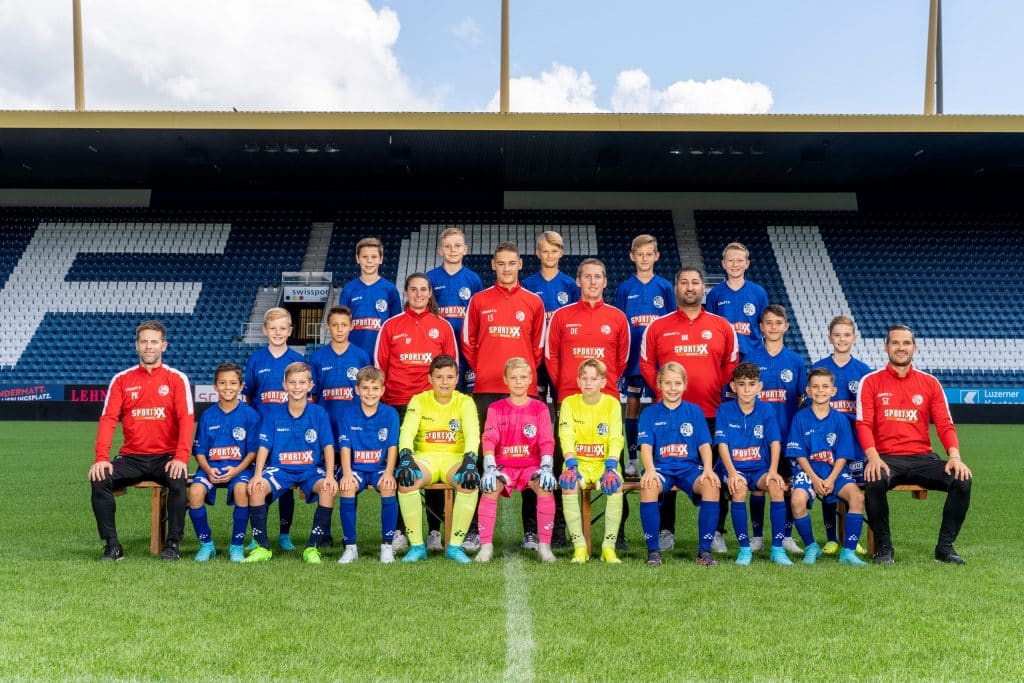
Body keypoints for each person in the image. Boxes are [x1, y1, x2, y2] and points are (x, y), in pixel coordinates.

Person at [639, 267, 738, 553]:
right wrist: (663, 392)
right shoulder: (658, 326)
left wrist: (714, 387)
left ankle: (716, 532)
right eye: (684, 282)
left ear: (703, 288)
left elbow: (731, 364)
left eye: (695, 282)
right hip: (667, 412)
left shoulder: (722, 326)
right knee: (666, 466)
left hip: (710, 412)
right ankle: (665, 531)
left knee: (714, 472)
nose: (690, 287)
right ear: (676, 288)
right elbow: (646, 363)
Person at [856, 325, 973, 565]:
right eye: (895, 343)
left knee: (962, 479)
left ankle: (945, 547)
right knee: (874, 478)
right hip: (886, 458)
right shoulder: (870, 381)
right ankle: (884, 548)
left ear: (914, 348)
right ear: (886, 347)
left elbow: (945, 424)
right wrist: (873, 457)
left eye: (906, 343)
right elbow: (863, 424)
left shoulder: (930, 383)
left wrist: (955, 457)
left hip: (922, 459)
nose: (901, 348)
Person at [462, 241, 546, 550]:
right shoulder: (479, 300)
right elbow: (468, 343)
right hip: (486, 390)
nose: (507, 268)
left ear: (520, 264)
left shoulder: (534, 302)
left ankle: (531, 532)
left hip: (524, 392)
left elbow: (537, 348)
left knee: (529, 457)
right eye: (501, 263)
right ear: (493, 265)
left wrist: (520, 379)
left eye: (512, 263)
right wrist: (486, 368)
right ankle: (474, 530)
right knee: (482, 458)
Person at [89, 320, 194, 561]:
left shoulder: (177, 379)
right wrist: (101, 458)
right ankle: (112, 545)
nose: (148, 346)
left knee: (178, 478)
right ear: (137, 345)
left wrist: (181, 457)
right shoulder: (121, 380)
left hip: (166, 457)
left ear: (163, 345)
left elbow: (187, 420)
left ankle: (173, 545)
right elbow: (108, 419)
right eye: (144, 342)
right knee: (99, 477)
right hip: (131, 458)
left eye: (154, 342)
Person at [545, 257, 630, 548]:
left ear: (605, 281)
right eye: (587, 276)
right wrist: (568, 388)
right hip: (570, 400)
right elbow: (551, 357)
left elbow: (621, 359)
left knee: (614, 462)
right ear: (578, 281)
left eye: (598, 277)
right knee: (564, 464)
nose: (593, 282)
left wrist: (603, 388)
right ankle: (560, 531)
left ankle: (617, 534)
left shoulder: (617, 318)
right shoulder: (561, 316)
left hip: (607, 402)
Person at [374, 272, 458, 552]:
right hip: (398, 404)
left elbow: (451, 365)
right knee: (404, 467)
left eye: (424, 289)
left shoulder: (442, 327)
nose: (419, 294)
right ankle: (400, 530)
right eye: (414, 289)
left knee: (433, 463)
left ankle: (434, 531)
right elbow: (380, 365)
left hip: (432, 406)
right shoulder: (391, 325)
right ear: (406, 293)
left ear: (430, 293)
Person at [243, 362, 338, 564]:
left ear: (310, 385)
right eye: (292, 382)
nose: (297, 387)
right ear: (284, 385)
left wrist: (330, 476)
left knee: (328, 489)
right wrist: (258, 474)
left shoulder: (319, 413)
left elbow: (328, 446)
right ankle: (262, 547)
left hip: (310, 470)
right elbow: (264, 446)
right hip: (280, 470)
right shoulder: (273, 413)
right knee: (256, 489)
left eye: (302, 382)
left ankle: (312, 548)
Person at [394, 355, 481, 564]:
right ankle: (417, 546)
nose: (444, 382)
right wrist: (406, 456)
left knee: (468, 482)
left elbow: (473, 433)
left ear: (457, 378)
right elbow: (407, 431)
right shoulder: (419, 400)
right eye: (439, 377)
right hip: (426, 458)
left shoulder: (465, 402)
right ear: (430, 378)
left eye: (450, 377)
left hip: (454, 458)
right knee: (407, 482)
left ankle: (454, 547)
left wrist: (470, 460)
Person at [637, 362, 720, 567]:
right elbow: (646, 446)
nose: (673, 388)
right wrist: (649, 470)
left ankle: (704, 551)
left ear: (685, 385)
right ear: (659, 385)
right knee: (648, 485)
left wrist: (708, 469)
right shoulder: (649, 413)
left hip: (689, 468)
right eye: (668, 383)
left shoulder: (695, 411)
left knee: (711, 484)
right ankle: (653, 551)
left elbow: (704, 445)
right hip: (661, 468)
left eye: (677, 383)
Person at [477, 358, 558, 563]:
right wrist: (490, 466)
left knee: (545, 486)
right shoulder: (496, 408)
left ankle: (544, 547)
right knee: (489, 487)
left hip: (531, 465)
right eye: (513, 377)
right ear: (505, 380)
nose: (519, 382)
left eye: (523, 377)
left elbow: (547, 440)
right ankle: (486, 547)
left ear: (531, 379)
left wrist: (546, 467)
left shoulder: (540, 408)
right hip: (503, 466)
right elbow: (489, 437)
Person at [740, 304, 807, 555]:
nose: (773, 327)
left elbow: (799, 399)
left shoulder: (796, 361)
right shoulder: (751, 358)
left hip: (787, 435)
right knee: (759, 487)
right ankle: (757, 536)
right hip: (757, 438)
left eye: (778, 323)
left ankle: (786, 536)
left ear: (786, 326)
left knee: (785, 484)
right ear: (761, 327)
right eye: (768, 323)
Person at [786, 368, 867, 567]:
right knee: (797, 500)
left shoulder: (840, 419)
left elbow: (843, 455)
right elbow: (799, 455)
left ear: (833, 390)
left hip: (835, 473)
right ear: (808, 390)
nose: (820, 390)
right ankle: (811, 547)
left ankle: (848, 552)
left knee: (857, 497)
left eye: (825, 386)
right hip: (809, 471)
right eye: (815, 387)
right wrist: (815, 479)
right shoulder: (800, 418)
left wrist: (831, 479)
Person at [713, 362, 789, 566]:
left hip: (760, 469)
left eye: (751, 384)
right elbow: (722, 445)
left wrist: (773, 471)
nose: (746, 389)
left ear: (759, 386)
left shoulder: (767, 410)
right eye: (741, 384)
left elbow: (775, 442)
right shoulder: (724, 410)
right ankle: (744, 549)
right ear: (733, 386)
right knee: (738, 489)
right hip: (734, 468)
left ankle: (778, 549)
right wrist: (732, 473)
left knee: (776, 486)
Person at [242, 307, 305, 550]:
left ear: (290, 331)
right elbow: (249, 395)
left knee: (286, 486)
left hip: (288, 435)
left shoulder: (297, 360)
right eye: (273, 328)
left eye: (282, 328)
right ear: (264, 330)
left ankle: (284, 534)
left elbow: (303, 397)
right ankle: (257, 535)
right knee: (259, 482)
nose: (278, 333)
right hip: (262, 434)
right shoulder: (256, 359)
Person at [810, 315, 871, 556]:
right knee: (829, 488)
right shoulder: (820, 367)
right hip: (826, 443)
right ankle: (832, 538)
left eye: (846, 335)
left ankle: (851, 538)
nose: (842, 339)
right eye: (837, 335)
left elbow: (868, 411)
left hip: (854, 443)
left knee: (852, 488)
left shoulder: (863, 371)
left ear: (854, 338)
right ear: (830, 338)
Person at [615, 234, 675, 478]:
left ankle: (660, 457)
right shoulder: (624, 288)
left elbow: (672, 323)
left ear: (656, 256)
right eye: (640, 254)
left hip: (658, 360)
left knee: (660, 407)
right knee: (632, 406)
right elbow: (620, 324)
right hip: (633, 361)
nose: (644, 259)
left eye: (649, 254)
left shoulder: (665, 287)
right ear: (632, 257)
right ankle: (632, 459)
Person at [188, 362, 260, 563]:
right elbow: (199, 451)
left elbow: (253, 451)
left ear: (241, 386)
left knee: (241, 490)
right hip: (211, 468)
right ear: (215, 386)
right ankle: (206, 544)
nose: (228, 387)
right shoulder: (208, 415)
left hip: (240, 469)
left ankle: (236, 546)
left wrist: (236, 470)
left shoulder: (250, 414)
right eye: (223, 383)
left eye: (233, 383)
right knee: (195, 492)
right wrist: (208, 469)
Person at [557, 359, 625, 564]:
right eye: (584, 378)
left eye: (593, 379)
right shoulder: (569, 403)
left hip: (605, 464)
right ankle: (580, 547)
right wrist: (571, 463)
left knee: (616, 485)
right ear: (578, 381)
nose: (588, 383)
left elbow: (616, 438)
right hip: (577, 464)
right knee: (568, 485)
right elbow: (566, 435)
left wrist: (611, 466)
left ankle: (608, 547)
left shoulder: (612, 404)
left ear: (603, 382)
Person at [335, 366, 401, 564]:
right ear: (357, 390)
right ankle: (350, 547)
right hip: (355, 468)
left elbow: (392, 447)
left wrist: (389, 473)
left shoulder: (390, 414)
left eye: (375, 388)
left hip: (380, 468)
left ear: (382, 390)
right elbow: (345, 447)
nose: (370, 393)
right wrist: (347, 474)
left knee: (388, 487)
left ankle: (387, 546)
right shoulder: (347, 414)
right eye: (365, 388)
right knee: (347, 487)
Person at [522, 230, 580, 404]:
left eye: (554, 251)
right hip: (536, 351)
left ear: (561, 253)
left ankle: (560, 423)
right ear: (538, 253)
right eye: (545, 251)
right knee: (536, 397)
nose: (550, 255)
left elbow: (576, 318)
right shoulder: (528, 284)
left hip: (561, 352)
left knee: (560, 397)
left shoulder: (570, 284)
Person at [426, 226, 484, 393]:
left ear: (465, 249)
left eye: (457, 246)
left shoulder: (473, 279)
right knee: (440, 391)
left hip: (466, 346)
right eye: (448, 246)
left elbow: (478, 315)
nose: (452, 250)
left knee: (468, 393)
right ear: (440, 250)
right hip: (438, 345)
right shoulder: (430, 278)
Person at [338, 236, 403, 359]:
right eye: (364, 257)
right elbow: (341, 323)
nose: (369, 261)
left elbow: (397, 325)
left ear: (381, 259)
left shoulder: (390, 289)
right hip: (354, 354)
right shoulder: (348, 289)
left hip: (382, 353)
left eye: (374, 257)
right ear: (357, 259)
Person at [703, 242, 769, 360]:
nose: (735, 265)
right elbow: (710, 328)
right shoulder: (714, 294)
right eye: (730, 260)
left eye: (739, 260)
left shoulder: (759, 292)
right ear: (723, 264)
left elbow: (765, 326)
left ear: (747, 263)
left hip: (753, 357)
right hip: (724, 357)